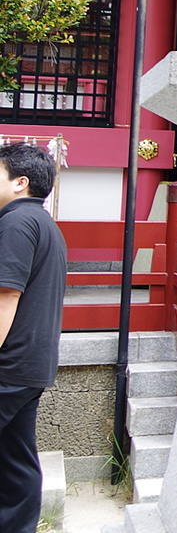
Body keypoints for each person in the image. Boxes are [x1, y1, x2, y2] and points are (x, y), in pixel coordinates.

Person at [0, 143, 67, 533]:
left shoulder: (15, 223)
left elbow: (7, 295)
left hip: (9, 364)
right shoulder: (45, 224)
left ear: (20, 182)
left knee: (15, 458)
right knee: (15, 457)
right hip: (32, 363)